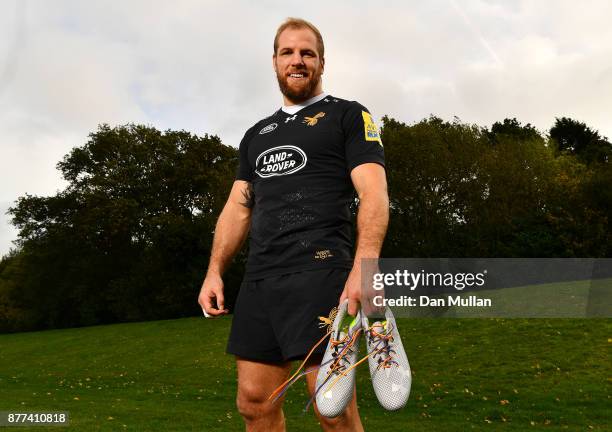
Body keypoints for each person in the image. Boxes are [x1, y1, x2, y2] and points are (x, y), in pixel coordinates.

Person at [198, 17, 389, 432]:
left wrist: (365, 267)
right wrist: (214, 271)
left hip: (321, 271)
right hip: (261, 279)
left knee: (331, 407)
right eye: (288, 52)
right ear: (274, 61)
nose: (297, 60)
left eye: (307, 53)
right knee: (253, 403)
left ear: (322, 62)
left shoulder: (348, 116)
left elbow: (374, 194)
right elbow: (238, 206)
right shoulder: (256, 135)